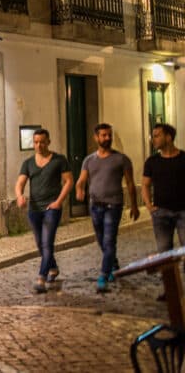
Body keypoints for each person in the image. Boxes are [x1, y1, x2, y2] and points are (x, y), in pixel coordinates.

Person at [75, 123, 139, 292]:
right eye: (103, 135)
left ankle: (103, 275)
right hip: (95, 206)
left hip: (114, 205)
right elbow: (81, 179)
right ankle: (113, 263)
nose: (107, 138)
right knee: (102, 240)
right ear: (96, 138)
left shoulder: (122, 159)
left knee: (110, 240)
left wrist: (134, 205)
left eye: (109, 135)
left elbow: (131, 184)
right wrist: (79, 189)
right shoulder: (89, 160)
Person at [15, 128, 73, 294]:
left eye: (42, 142)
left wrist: (58, 202)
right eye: (36, 142)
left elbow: (68, 181)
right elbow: (20, 183)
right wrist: (20, 196)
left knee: (47, 242)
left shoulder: (59, 160)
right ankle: (53, 267)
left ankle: (41, 278)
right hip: (34, 210)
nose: (39, 145)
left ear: (48, 142)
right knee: (41, 244)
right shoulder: (28, 163)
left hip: (51, 209)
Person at [141, 123, 185, 301]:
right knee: (165, 254)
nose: (153, 139)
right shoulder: (152, 162)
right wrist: (149, 207)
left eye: (157, 135)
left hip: (183, 212)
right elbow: (145, 184)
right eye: (153, 136)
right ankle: (170, 290)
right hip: (161, 214)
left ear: (169, 137)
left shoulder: (183, 158)